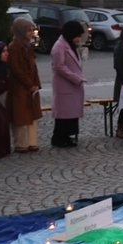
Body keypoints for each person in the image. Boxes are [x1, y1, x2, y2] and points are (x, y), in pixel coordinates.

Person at [6, 18, 42, 153]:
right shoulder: (14, 47)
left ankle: (32, 142)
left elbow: (33, 67)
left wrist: (36, 84)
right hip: (20, 87)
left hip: (30, 85)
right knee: (21, 115)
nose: (31, 33)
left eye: (32, 30)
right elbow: (15, 69)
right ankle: (22, 143)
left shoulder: (26, 45)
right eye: (28, 30)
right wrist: (29, 83)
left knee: (31, 114)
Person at [50, 20, 87, 149]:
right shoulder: (59, 46)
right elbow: (60, 67)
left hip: (72, 86)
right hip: (65, 85)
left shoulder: (69, 44)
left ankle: (67, 136)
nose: (79, 39)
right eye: (78, 36)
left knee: (71, 114)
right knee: (64, 115)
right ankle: (60, 137)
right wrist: (76, 78)